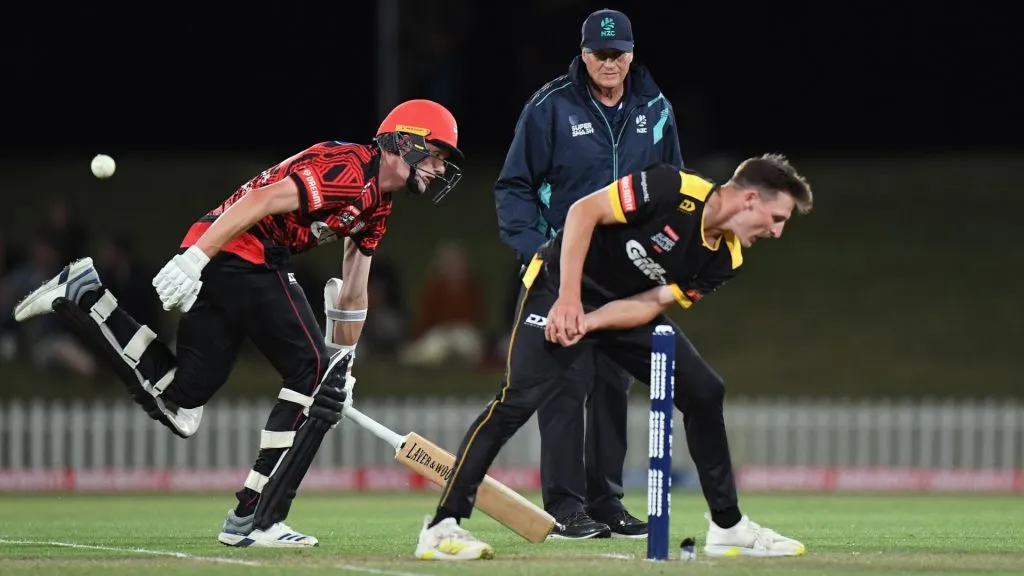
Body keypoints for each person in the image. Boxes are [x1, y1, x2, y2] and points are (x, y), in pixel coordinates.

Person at [13, 99, 464, 548]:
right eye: (438, 156)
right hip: (240, 249)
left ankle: (83, 295)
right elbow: (262, 199)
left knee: (181, 402)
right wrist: (196, 259)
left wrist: (343, 360)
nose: (440, 170)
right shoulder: (347, 169)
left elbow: (352, 291)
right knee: (308, 366)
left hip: (237, 255)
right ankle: (256, 516)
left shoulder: (377, 205)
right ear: (405, 141)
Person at [413, 155, 813, 560]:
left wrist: (589, 322)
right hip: (557, 286)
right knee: (516, 400)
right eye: (777, 217)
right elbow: (583, 212)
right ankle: (442, 525)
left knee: (704, 390)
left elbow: (651, 301)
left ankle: (728, 526)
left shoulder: (726, 258)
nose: (777, 232)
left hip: (618, 310)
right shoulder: (672, 188)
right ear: (749, 200)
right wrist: (570, 301)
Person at [494, 8, 682, 539]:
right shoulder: (550, 107)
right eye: (599, 54)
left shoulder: (656, 107)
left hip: (623, 276)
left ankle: (606, 502)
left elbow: (673, 185)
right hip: (564, 273)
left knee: (611, 388)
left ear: (631, 54)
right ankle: (566, 506)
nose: (610, 63)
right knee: (565, 386)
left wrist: (661, 255)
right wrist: (534, 252)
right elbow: (514, 187)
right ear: (582, 56)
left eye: (618, 53)